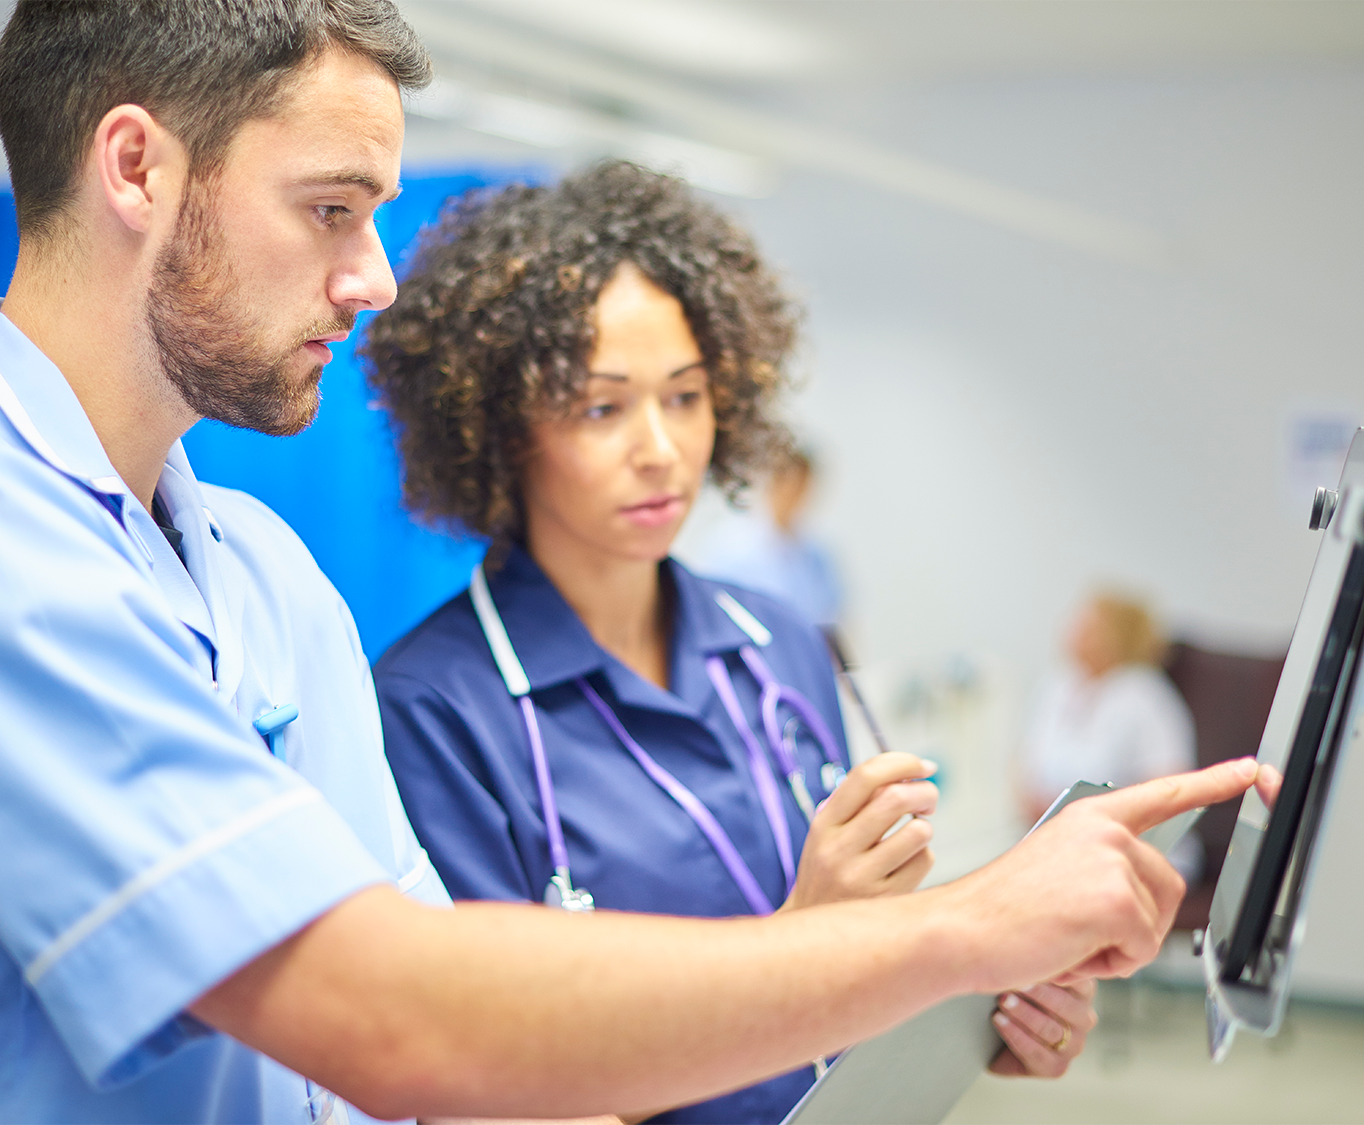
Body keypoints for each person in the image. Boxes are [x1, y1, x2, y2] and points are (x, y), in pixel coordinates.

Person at [0, 3, 1274, 1123]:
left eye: (685, 399)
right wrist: (962, 929)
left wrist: (924, 1003)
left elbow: (456, 1074)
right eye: (331, 208)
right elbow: (390, 1015)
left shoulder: (264, 574)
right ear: (136, 168)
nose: (373, 275)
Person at [365, 164, 966, 1124]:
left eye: (684, 396)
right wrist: (799, 946)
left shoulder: (786, 646)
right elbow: (507, 1091)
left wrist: (980, 1006)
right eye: (603, 407)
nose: (661, 448)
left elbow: (866, 969)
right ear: (497, 426)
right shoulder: (433, 711)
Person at [1019, 593, 1198, 832]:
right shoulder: (1059, 683)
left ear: (1120, 638)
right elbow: (1027, 766)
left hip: (1126, 841)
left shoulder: (1146, 696)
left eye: (1091, 628)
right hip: (1056, 835)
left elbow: (1169, 788)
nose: (1076, 632)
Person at [695, 446, 844, 629]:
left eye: (803, 485)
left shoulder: (817, 552)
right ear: (773, 483)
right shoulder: (732, 547)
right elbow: (718, 613)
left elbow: (832, 615)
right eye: (789, 484)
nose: (796, 495)